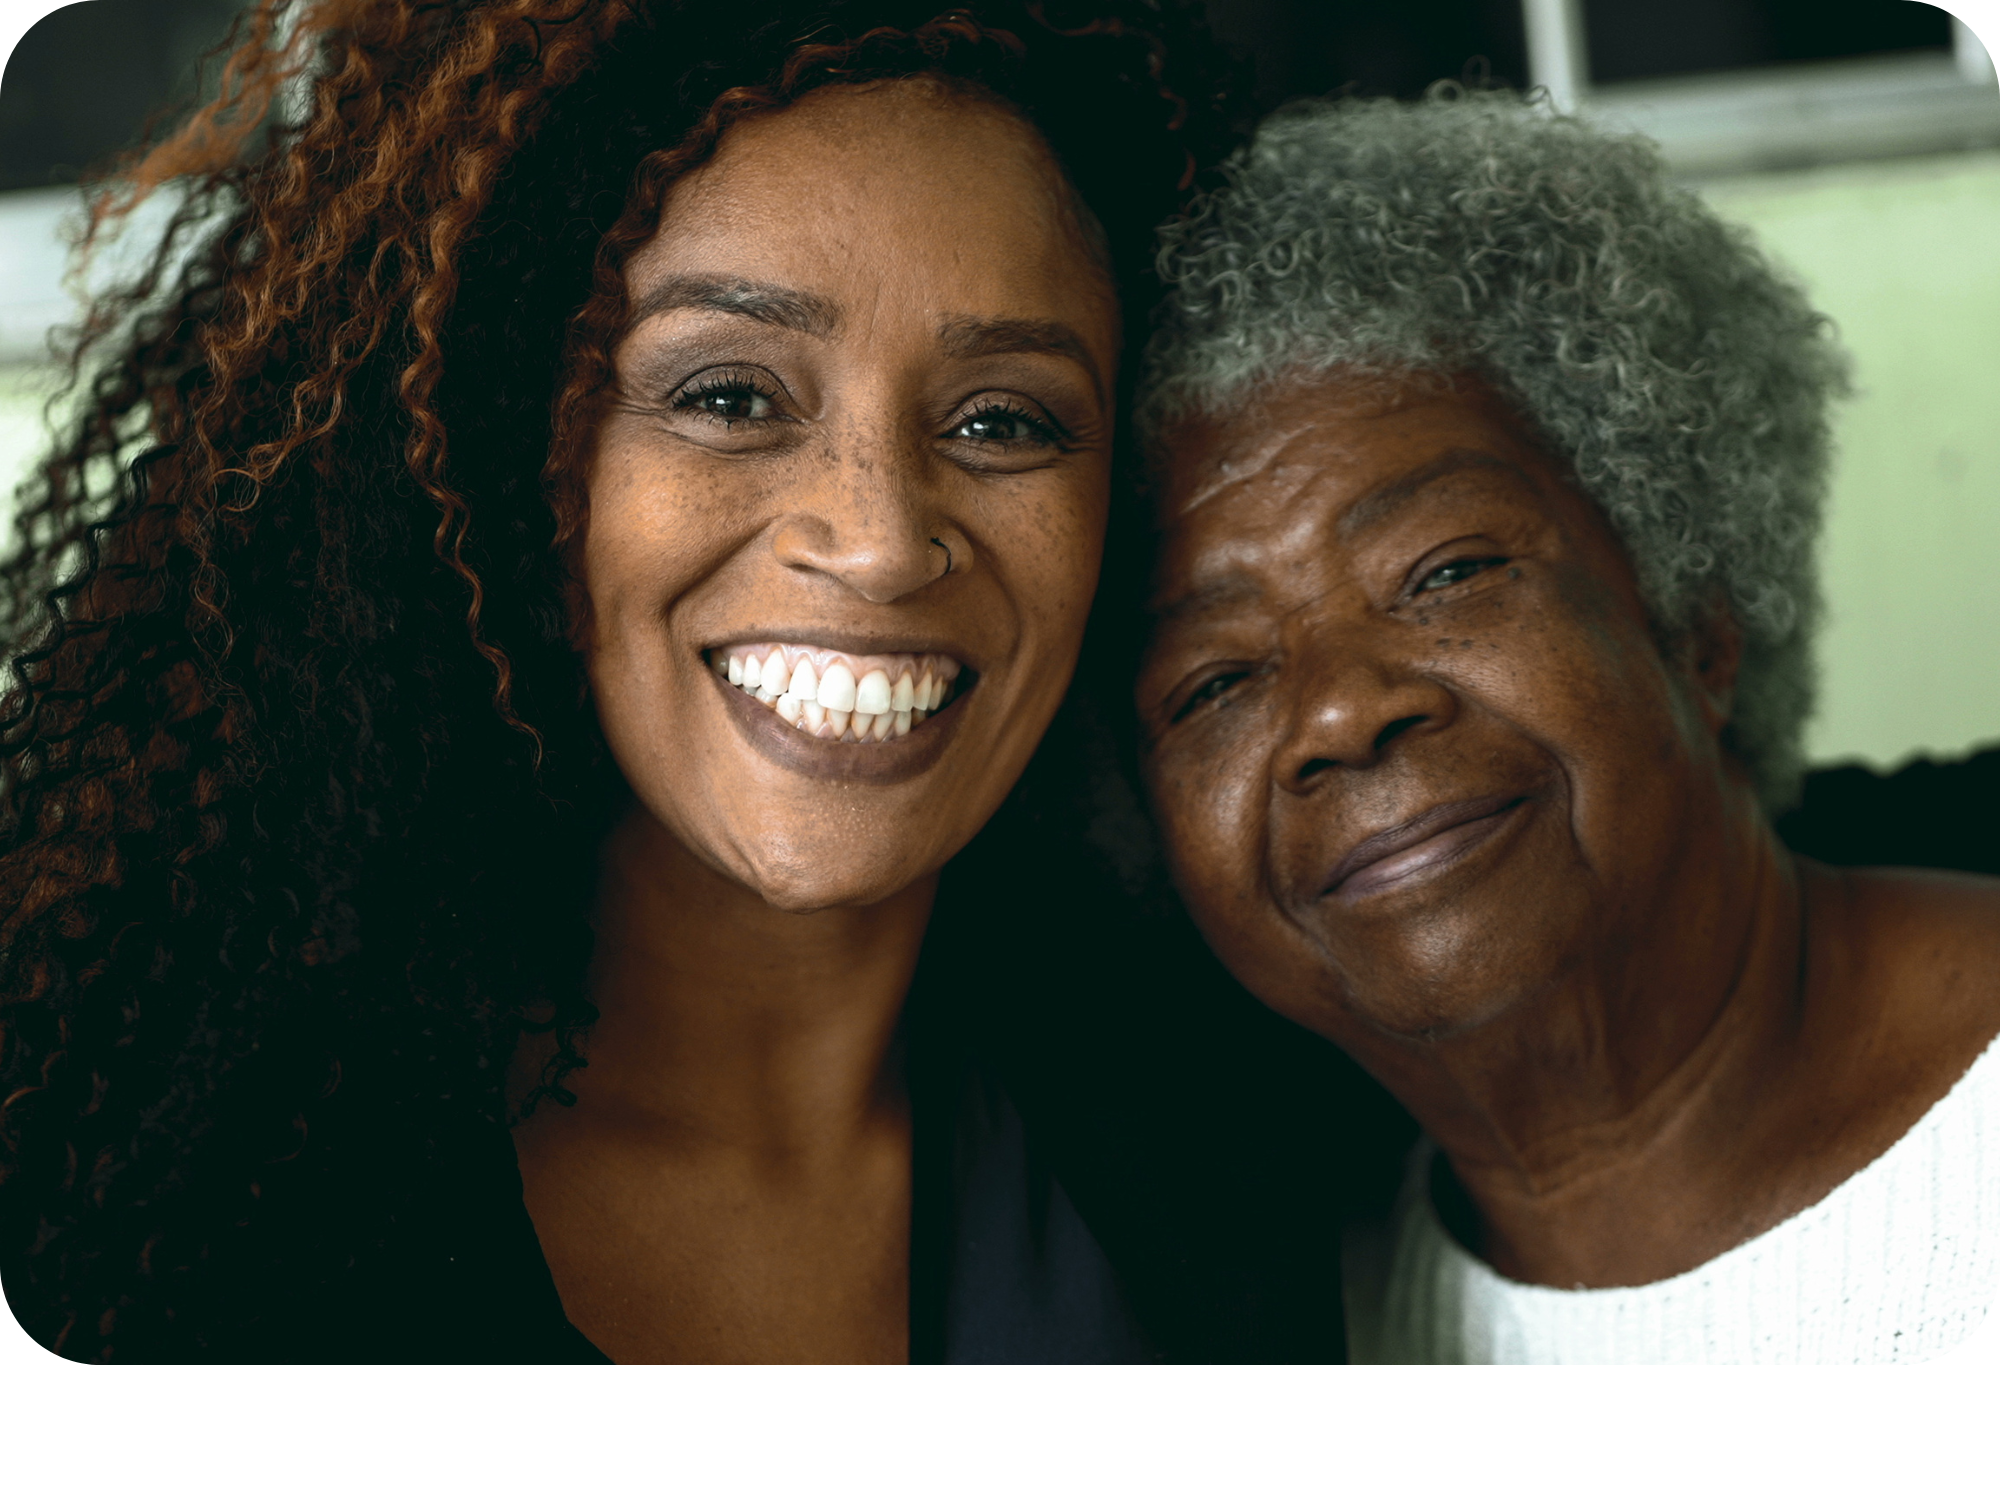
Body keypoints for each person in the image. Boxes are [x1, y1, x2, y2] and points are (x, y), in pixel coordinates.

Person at [0, 0, 1245, 1364]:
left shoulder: (1221, 1145)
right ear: (501, 448)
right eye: (728, 396)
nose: (882, 540)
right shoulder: (152, 1211)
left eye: (1003, 420)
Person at [1132, 89, 2000, 1363]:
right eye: (1212, 683)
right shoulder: (1277, 1304)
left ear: (1693, 619)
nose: (1339, 708)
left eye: (1445, 572)